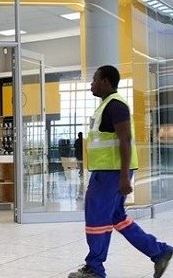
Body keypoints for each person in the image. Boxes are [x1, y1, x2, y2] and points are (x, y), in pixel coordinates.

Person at [68, 65, 172, 278]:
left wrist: (124, 177)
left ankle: (95, 269)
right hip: (108, 172)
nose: (91, 84)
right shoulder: (106, 106)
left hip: (111, 173)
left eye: (95, 79)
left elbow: (125, 139)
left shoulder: (116, 106)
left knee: (97, 218)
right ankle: (159, 251)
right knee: (117, 217)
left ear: (105, 81)